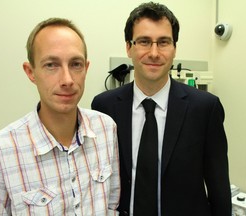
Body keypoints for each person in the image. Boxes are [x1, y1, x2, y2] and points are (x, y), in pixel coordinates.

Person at [91, 2, 231, 216]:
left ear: (174, 48)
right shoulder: (104, 107)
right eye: (144, 42)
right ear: (129, 47)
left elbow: (219, 187)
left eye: (164, 42)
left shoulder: (205, 108)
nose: (154, 53)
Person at [0, 17, 120, 215]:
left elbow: (112, 205)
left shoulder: (105, 129)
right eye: (51, 65)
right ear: (30, 72)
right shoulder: (1, 152)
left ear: (86, 68)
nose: (67, 80)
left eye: (75, 64)